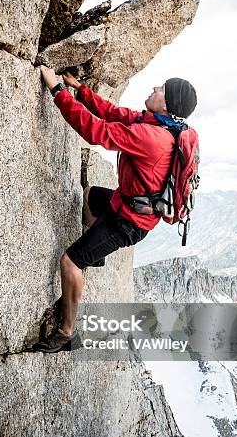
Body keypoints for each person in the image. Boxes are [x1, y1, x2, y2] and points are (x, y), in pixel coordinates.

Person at [34, 66, 197, 352]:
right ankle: (96, 255)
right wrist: (81, 90)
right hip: (126, 204)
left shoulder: (151, 137)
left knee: (69, 262)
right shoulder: (160, 124)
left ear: (169, 103)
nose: (156, 88)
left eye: (162, 89)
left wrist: (57, 91)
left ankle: (67, 332)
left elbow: (94, 131)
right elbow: (114, 113)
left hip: (128, 222)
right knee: (89, 195)